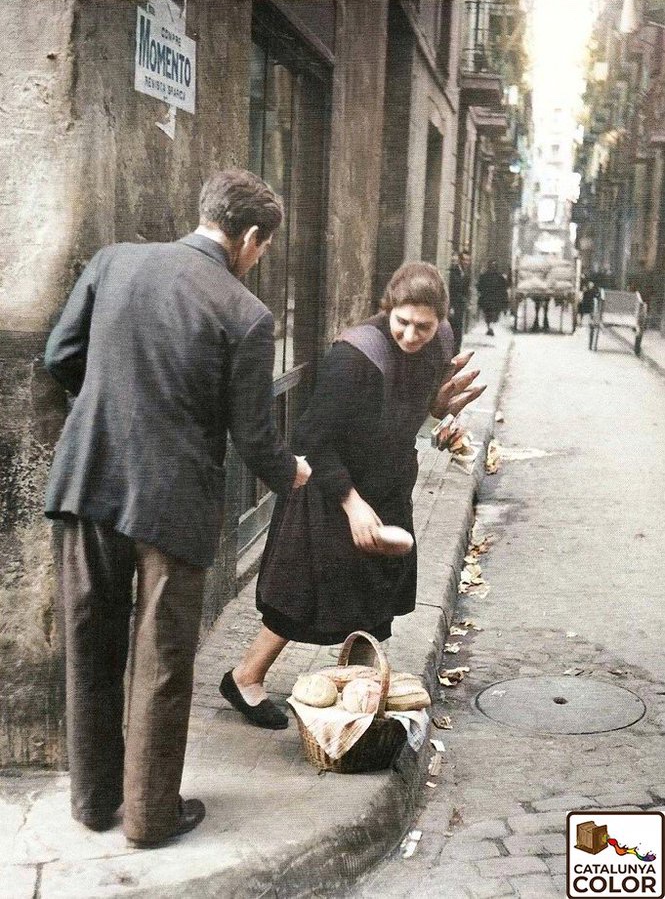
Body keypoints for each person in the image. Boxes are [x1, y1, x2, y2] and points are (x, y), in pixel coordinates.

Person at [43, 169, 311, 847]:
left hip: (90, 479)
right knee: (161, 661)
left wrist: (112, 411)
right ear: (250, 237)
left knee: (89, 641)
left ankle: (93, 801)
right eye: (261, 250)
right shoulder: (245, 313)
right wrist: (293, 474)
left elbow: (60, 355)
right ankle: (149, 816)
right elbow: (253, 436)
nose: (255, 261)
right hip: (173, 502)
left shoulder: (114, 262)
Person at [219, 261, 486, 729]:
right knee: (303, 594)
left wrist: (437, 423)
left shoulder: (443, 340)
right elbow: (309, 438)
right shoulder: (352, 358)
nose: (410, 335)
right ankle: (245, 677)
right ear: (387, 311)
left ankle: (356, 692)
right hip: (330, 484)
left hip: (387, 480)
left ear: (441, 319)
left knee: (375, 591)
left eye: (423, 326)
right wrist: (352, 503)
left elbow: (417, 409)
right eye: (402, 323)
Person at [448, 248, 471, 355]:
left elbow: (466, 290)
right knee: (453, 328)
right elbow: (451, 290)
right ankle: (452, 351)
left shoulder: (466, 273)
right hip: (453, 306)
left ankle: (457, 351)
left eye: (468, 260)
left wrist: (466, 302)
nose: (466, 262)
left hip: (460, 306)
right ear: (460, 260)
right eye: (464, 260)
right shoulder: (454, 271)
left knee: (459, 329)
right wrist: (451, 307)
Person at [477, 259, 508, 336]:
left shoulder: (498, 277)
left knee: (491, 315)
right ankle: (490, 327)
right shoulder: (498, 277)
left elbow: (503, 289)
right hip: (490, 299)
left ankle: (490, 328)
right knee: (490, 315)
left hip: (492, 299)